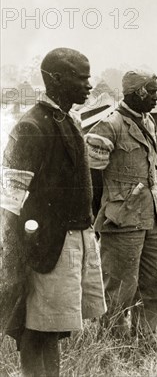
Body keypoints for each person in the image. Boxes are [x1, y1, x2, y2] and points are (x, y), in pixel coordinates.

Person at [0, 48, 106, 376]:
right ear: (57, 79)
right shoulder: (31, 127)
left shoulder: (69, 120)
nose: (90, 84)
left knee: (53, 330)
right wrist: (14, 263)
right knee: (35, 329)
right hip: (44, 248)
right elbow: (9, 202)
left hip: (69, 241)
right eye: (82, 77)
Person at [85, 71, 157, 353]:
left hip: (153, 217)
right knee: (120, 288)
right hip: (121, 220)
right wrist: (101, 218)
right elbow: (92, 179)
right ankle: (113, 345)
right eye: (153, 91)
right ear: (137, 92)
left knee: (156, 283)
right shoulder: (108, 126)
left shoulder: (150, 121)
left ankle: (145, 338)